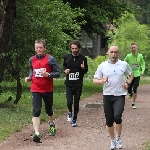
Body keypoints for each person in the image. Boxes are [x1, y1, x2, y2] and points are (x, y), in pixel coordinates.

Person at [93, 46, 133, 150]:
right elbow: (95, 80)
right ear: (108, 53)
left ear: (118, 53)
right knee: (109, 120)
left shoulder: (124, 64)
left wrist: (127, 83)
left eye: (115, 52)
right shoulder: (102, 66)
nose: (113, 54)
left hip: (120, 95)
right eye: (111, 52)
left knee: (117, 117)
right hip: (107, 95)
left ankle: (118, 138)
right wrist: (102, 81)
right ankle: (112, 140)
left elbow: (131, 75)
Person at [25, 39, 60, 143]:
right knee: (36, 111)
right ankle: (36, 133)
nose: (38, 49)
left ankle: (52, 124)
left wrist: (48, 74)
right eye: (37, 47)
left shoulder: (50, 59)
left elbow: (57, 73)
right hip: (35, 89)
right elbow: (32, 70)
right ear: (35, 48)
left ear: (45, 48)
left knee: (49, 110)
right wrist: (29, 77)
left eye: (40, 47)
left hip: (47, 89)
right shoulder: (32, 59)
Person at [63, 40, 88, 127]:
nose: (74, 50)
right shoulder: (67, 57)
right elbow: (64, 66)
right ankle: (70, 111)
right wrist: (65, 70)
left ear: (79, 48)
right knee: (69, 102)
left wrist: (83, 68)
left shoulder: (83, 59)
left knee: (76, 102)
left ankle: (74, 119)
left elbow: (86, 71)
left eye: (76, 48)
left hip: (78, 84)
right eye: (72, 48)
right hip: (69, 84)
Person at [124, 42, 145, 109]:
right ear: (130, 49)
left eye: (134, 47)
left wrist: (142, 71)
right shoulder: (128, 56)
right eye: (132, 47)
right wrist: (124, 71)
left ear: (136, 48)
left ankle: (133, 103)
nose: (133, 49)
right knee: (129, 88)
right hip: (130, 75)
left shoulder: (140, 56)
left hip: (137, 74)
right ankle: (130, 93)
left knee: (135, 88)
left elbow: (143, 64)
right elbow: (124, 63)